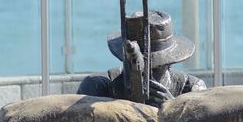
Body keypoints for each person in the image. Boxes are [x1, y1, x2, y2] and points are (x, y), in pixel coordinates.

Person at [77, 10, 206, 107]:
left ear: (169, 63)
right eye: (131, 64)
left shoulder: (190, 88)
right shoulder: (99, 87)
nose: (143, 74)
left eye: (155, 67)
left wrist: (173, 108)